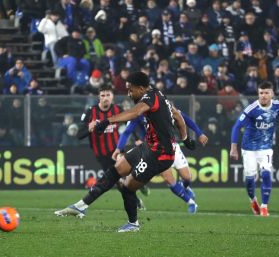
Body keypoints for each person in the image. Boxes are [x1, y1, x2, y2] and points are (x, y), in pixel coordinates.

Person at [55, 72, 195, 232]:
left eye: (131, 90)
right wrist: (185, 138)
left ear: (141, 89)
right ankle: (81, 206)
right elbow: (178, 117)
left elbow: (135, 112)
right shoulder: (159, 95)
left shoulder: (150, 98)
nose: (129, 93)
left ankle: (133, 224)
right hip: (149, 146)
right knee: (116, 169)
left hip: (160, 154)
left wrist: (107, 121)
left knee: (127, 188)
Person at [112, 111, 208, 213]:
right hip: (157, 151)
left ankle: (185, 186)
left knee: (187, 177)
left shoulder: (166, 107)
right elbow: (127, 131)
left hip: (173, 147)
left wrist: (200, 133)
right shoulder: (139, 112)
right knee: (169, 178)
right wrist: (119, 148)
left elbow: (185, 119)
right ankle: (191, 203)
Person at [230, 82, 279, 217]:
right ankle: (252, 200)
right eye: (261, 93)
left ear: (272, 94)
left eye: (266, 92)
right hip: (249, 148)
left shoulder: (278, 105)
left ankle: (264, 207)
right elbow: (236, 127)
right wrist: (233, 148)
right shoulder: (251, 109)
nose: (263, 96)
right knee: (250, 179)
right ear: (258, 94)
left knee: (266, 174)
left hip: (266, 148)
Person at [74, 83, 147, 209]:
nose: (105, 98)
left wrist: (137, 139)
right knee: (118, 183)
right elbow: (79, 135)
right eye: (103, 95)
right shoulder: (90, 112)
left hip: (117, 151)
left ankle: (138, 187)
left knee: (125, 177)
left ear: (112, 96)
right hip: (101, 155)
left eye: (108, 95)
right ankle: (137, 201)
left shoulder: (118, 110)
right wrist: (88, 129)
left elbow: (131, 123)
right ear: (99, 97)